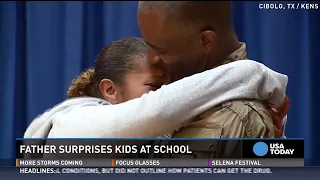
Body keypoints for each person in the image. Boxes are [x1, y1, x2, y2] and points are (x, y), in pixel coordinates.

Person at [24, 37, 288, 140]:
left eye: (170, 86)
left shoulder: (152, 140)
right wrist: (258, 75)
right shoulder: (68, 124)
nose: (167, 93)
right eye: (156, 86)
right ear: (109, 90)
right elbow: (157, 109)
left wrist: (273, 142)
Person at [137, 1, 289, 139]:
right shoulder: (160, 80)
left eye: (162, 51)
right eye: (148, 44)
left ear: (205, 41)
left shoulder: (237, 117)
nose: (151, 59)